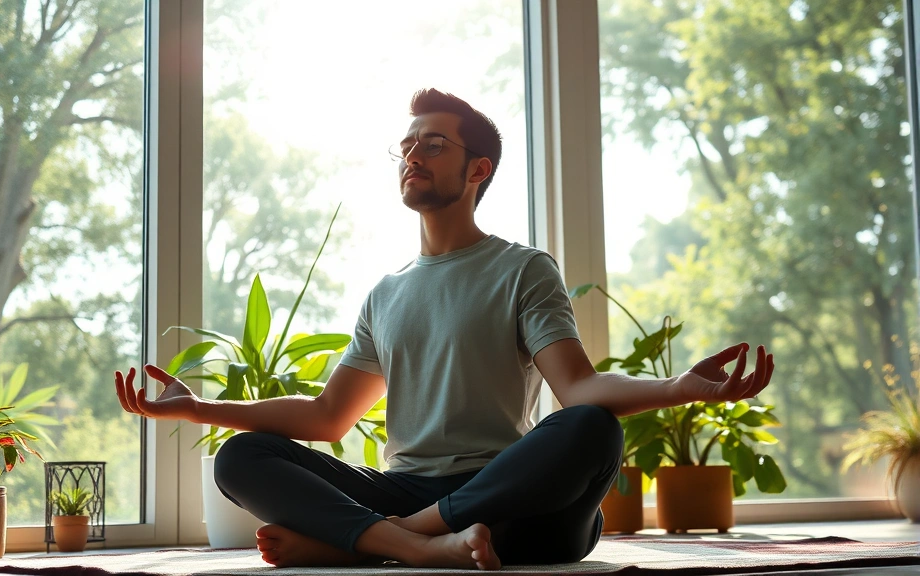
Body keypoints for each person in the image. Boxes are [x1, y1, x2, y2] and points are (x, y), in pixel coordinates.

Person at [115, 88, 774, 570]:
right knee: (240, 457)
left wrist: (684, 388)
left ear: (477, 169)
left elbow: (577, 388)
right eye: (408, 145)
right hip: (409, 482)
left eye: (434, 144)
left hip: (509, 492)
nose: (413, 154)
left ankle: (391, 539)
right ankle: (423, 545)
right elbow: (327, 417)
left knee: (591, 431)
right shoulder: (386, 292)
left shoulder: (522, 268)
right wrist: (197, 406)